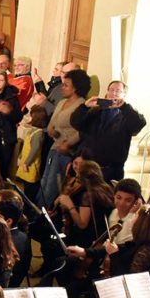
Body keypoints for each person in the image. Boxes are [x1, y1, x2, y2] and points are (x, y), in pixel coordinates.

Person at [70, 80, 146, 181]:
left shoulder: (127, 114)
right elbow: (76, 123)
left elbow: (137, 125)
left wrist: (124, 107)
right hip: (87, 166)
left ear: (124, 95)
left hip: (111, 170)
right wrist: (85, 106)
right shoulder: (96, 111)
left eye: (118, 91)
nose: (114, 93)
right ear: (107, 92)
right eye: (111, 90)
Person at [38, 69, 90, 208]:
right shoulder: (61, 103)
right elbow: (52, 124)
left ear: (76, 88)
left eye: (66, 85)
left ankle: (46, 213)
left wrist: (67, 144)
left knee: (52, 185)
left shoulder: (81, 105)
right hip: (54, 147)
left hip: (66, 152)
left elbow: (81, 131)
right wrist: (52, 131)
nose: (62, 87)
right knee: (44, 181)